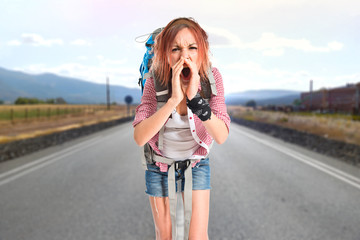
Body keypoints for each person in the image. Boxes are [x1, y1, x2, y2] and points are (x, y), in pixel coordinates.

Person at [133, 17, 230, 240]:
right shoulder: (154, 80)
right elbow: (139, 137)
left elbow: (221, 135)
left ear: (203, 51)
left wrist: (195, 99)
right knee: (164, 236)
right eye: (175, 49)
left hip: (196, 163)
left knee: (197, 237)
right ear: (165, 54)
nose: (184, 56)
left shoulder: (211, 79)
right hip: (159, 164)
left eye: (192, 48)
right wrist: (173, 100)